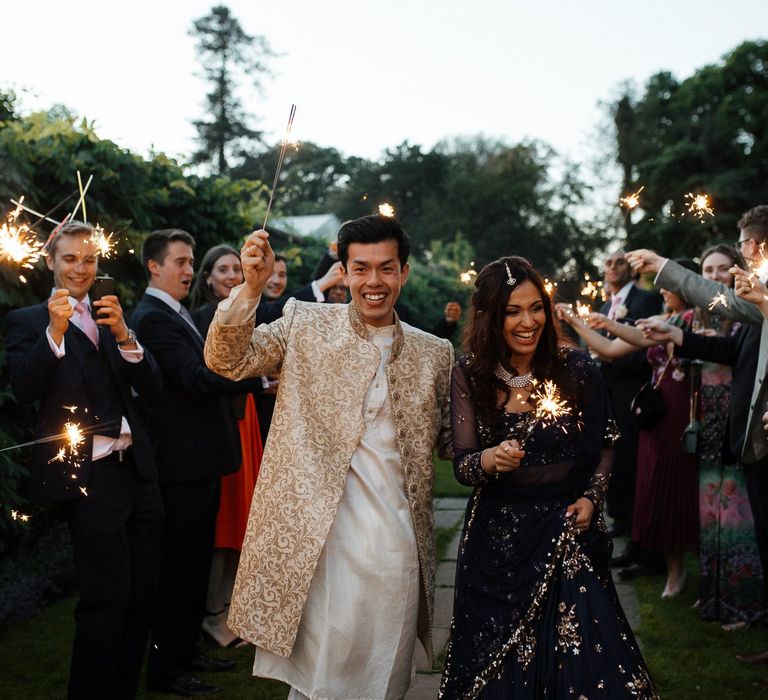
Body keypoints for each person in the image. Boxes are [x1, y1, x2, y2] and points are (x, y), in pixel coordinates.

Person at [204, 214, 453, 699]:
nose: (373, 282)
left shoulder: (434, 353)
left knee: (383, 678)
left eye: (386, 268)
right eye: (360, 269)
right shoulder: (304, 322)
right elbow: (226, 360)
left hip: (393, 545)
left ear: (404, 272)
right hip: (314, 544)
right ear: (343, 271)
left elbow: (452, 443)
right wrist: (251, 291)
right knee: (315, 680)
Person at [440, 256, 656, 699]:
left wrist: (592, 500)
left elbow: (607, 443)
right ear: (488, 315)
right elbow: (462, 464)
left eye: (535, 307)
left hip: (565, 534)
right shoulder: (471, 375)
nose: (528, 321)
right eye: (512, 311)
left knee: (587, 668)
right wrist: (489, 461)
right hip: (496, 545)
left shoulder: (576, 369)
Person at [5, 221, 163, 700]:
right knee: (106, 600)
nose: (81, 268)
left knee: (142, 599)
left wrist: (126, 336)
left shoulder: (112, 312)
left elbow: (153, 387)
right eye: (70, 258)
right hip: (89, 478)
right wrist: (54, 333)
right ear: (50, 261)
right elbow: (24, 388)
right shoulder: (28, 320)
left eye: (89, 259)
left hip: (139, 471)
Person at [131, 229, 262, 697]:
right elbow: (192, 378)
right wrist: (255, 377)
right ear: (154, 266)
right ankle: (166, 668)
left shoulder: (174, 313)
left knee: (194, 566)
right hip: (181, 464)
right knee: (179, 569)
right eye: (181, 262)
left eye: (190, 262)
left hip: (199, 461)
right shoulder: (152, 319)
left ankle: (186, 651)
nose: (189, 270)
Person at [626, 205, 768, 618]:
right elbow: (726, 331)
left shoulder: (760, 291)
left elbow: (718, 300)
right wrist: (676, 333)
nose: (742, 256)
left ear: (755, 244)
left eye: (743, 246)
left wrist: (662, 265)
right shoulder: (758, 292)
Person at [558, 264, 699, 599]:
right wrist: (579, 323)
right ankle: (661, 558)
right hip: (653, 413)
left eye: (668, 286)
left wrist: (604, 324)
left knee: (675, 486)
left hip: (679, 410)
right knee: (649, 483)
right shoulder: (665, 320)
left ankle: (679, 565)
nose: (662, 291)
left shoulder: (695, 323)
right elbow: (608, 350)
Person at [190, 244, 264, 648]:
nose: (233, 275)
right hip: (225, 422)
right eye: (223, 269)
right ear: (208, 278)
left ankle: (234, 608)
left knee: (246, 516)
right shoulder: (205, 317)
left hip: (246, 418)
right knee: (229, 517)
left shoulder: (251, 310)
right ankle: (215, 611)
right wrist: (258, 382)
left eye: (237, 268)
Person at [693, 245, 763, 626]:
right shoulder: (702, 315)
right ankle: (716, 595)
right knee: (713, 514)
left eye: (723, 268)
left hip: (741, 421)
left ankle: (746, 602)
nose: (716, 275)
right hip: (712, 423)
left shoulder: (744, 310)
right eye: (708, 269)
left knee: (741, 516)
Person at [598, 251, 662, 546]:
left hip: (633, 392)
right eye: (608, 262)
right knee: (612, 456)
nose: (613, 267)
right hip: (607, 393)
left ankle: (637, 526)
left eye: (619, 262)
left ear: (631, 270)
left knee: (633, 458)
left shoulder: (645, 300)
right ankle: (620, 518)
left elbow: (645, 350)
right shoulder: (604, 306)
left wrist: (609, 358)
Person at [254, 253, 344, 440]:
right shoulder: (252, 307)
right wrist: (322, 282)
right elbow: (285, 308)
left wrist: (331, 255)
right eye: (271, 274)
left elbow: (300, 301)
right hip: (255, 414)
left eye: (282, 274)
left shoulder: (282, 304)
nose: (276, 281)